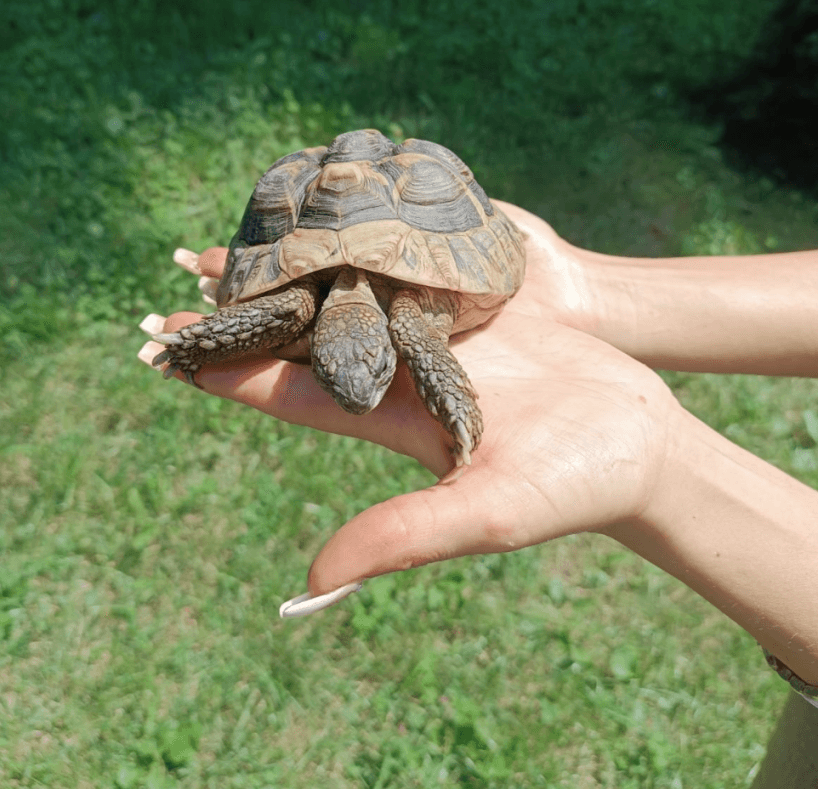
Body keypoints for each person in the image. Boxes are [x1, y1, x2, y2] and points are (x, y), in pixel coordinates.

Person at [138, 202, 818, 783]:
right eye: (341, 376)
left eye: (370, 374)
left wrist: (665, 467)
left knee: (408, 325)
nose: (360, 396)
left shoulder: (407, 323)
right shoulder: (303, 304)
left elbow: (406, 327)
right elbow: (298, 305)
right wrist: (587, 286)